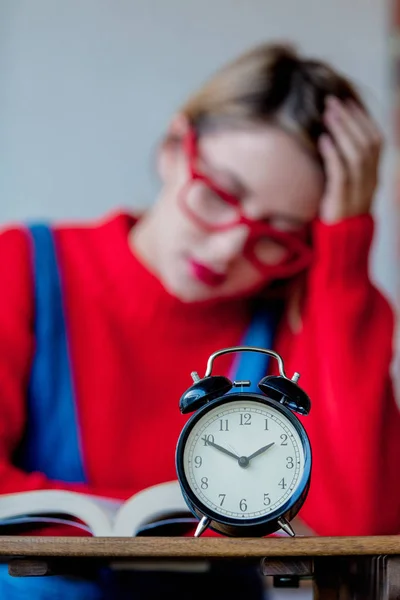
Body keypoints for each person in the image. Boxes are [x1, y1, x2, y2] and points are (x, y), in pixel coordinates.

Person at [0, 41, 399, 598]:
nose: (227, 250)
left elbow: (357, 537)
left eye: (277, 236)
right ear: (172, 147)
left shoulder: (294, 319)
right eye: (219, 194)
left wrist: (343, 260)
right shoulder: (20, 267)